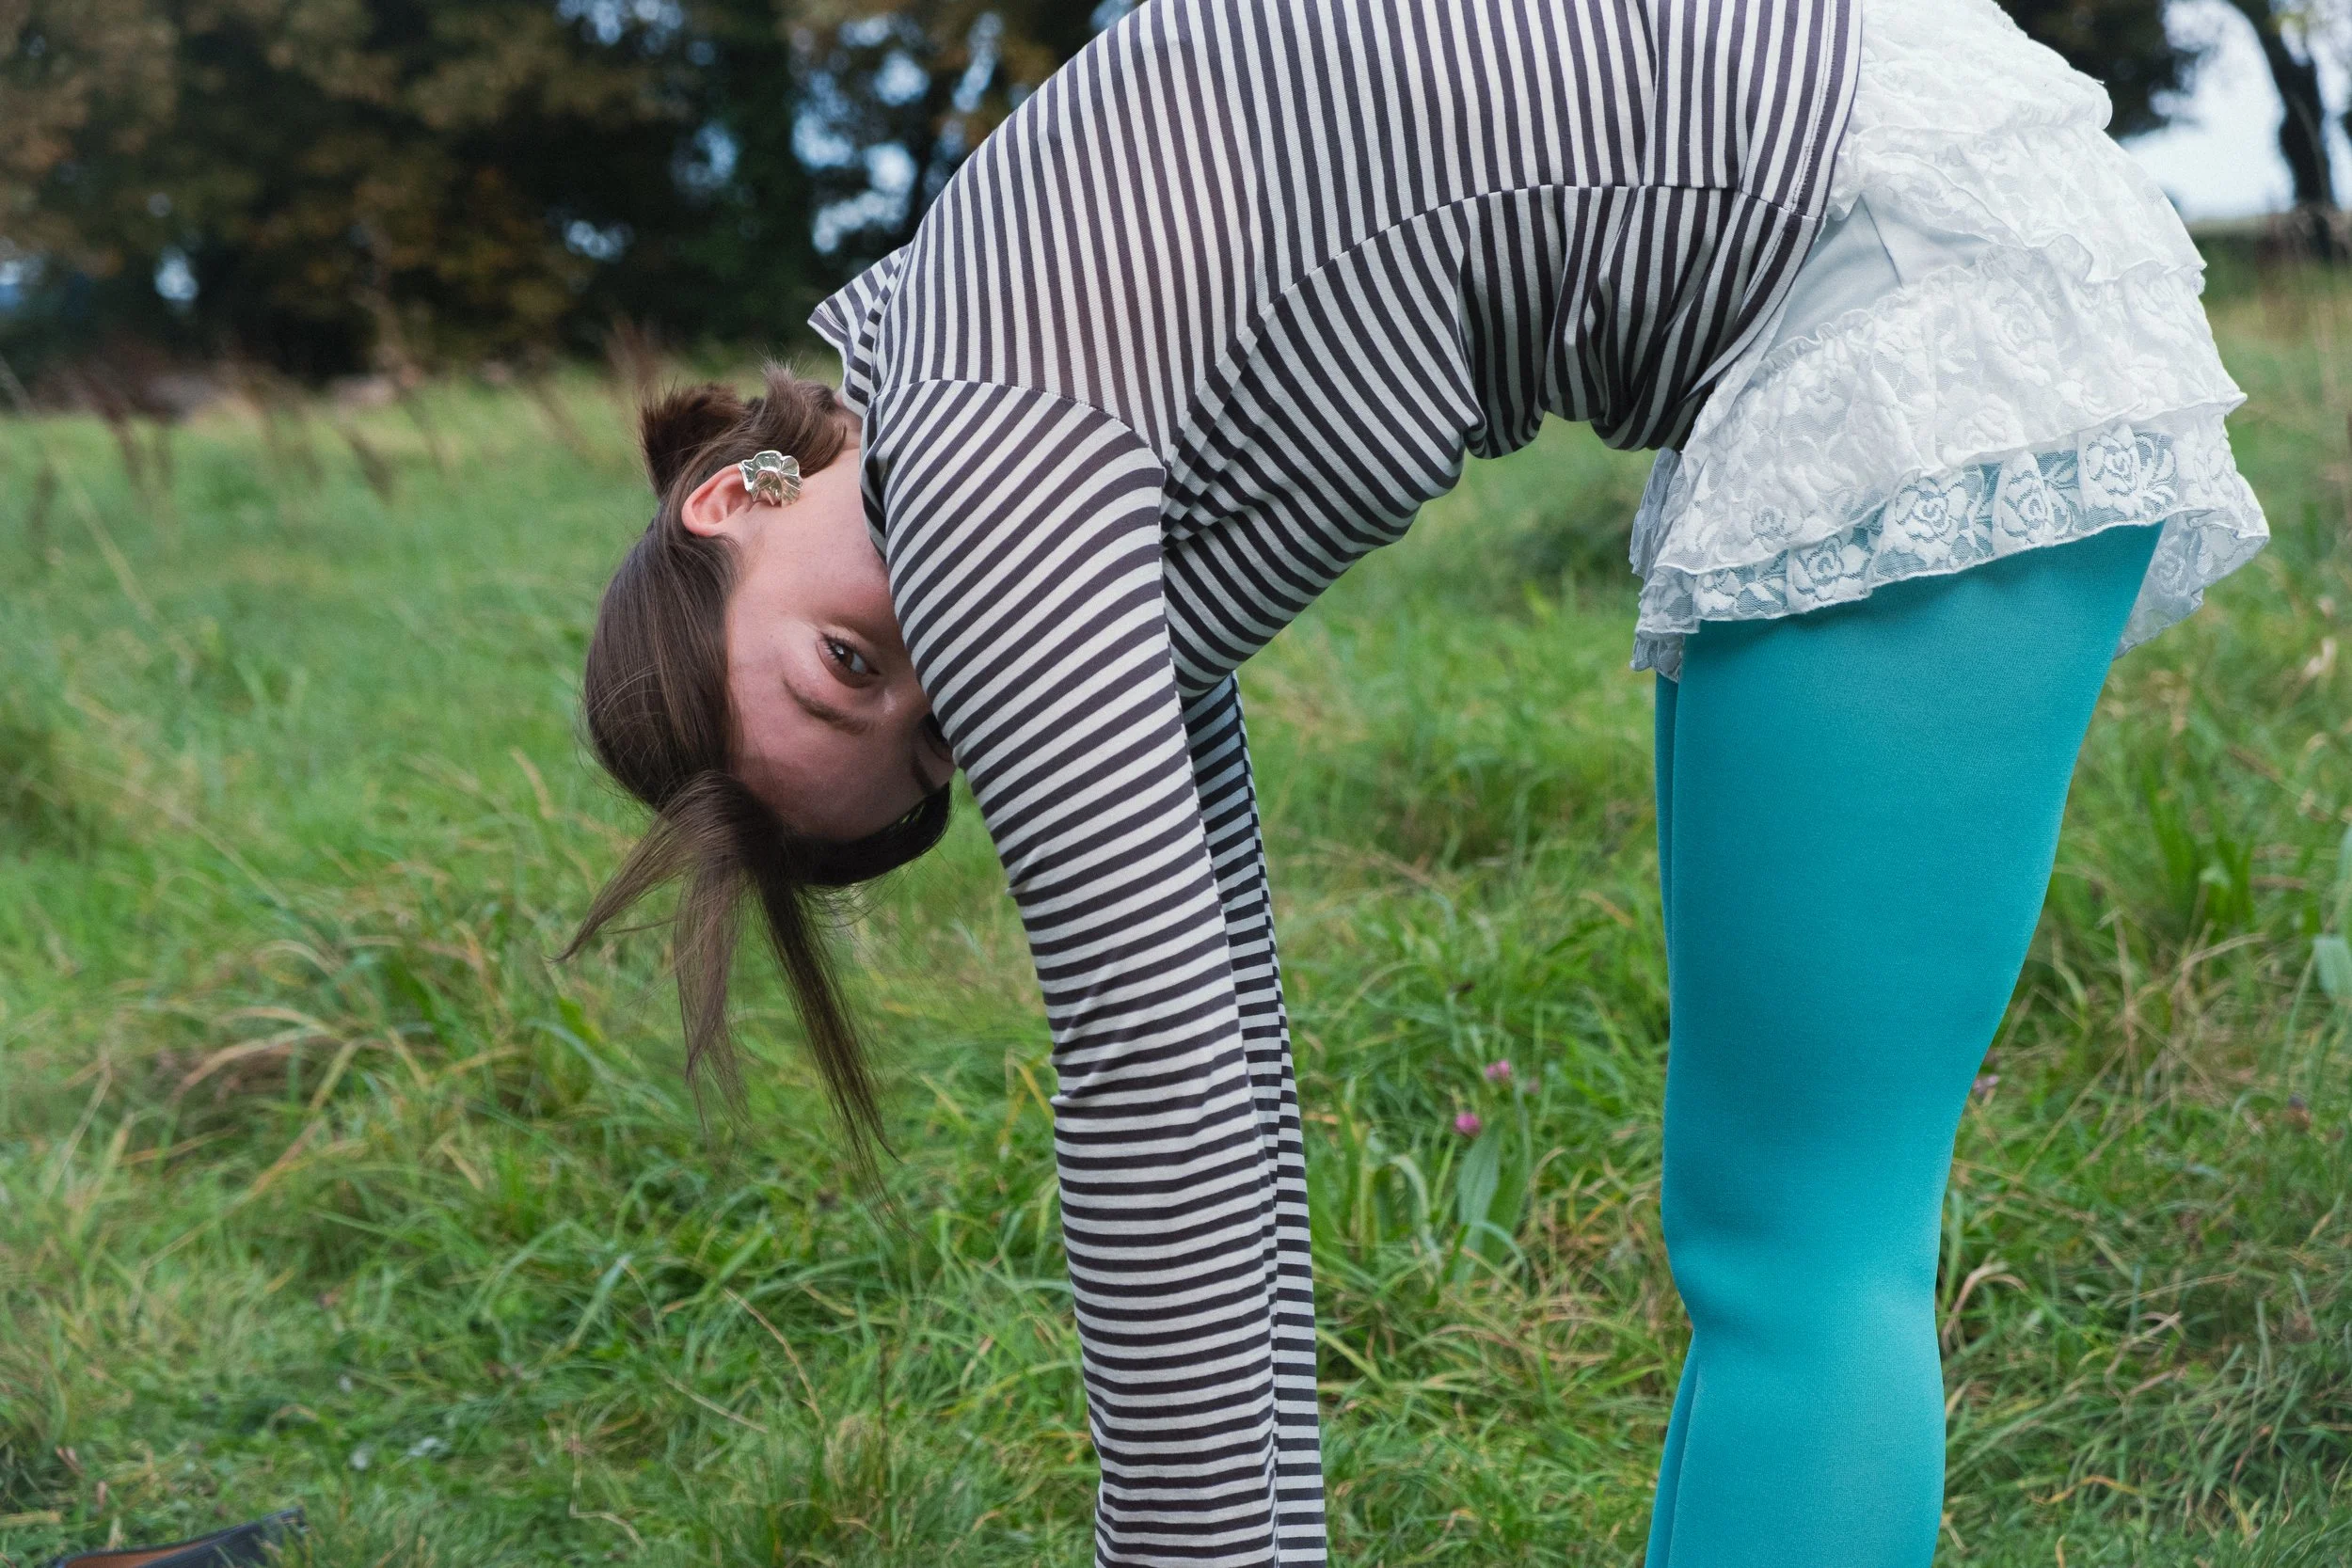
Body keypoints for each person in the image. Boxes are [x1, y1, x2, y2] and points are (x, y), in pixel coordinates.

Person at [566, 0, 2267, 1563]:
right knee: (1771, 1237)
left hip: (1905, 288)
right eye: (934, 744)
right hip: (1869, 238)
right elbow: (1219, 1041)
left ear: (736, 500)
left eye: (846, 666)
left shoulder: (981, 466)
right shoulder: (1014, 398)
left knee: (1808, 1252)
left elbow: (1155, 1089)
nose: (947, 678)